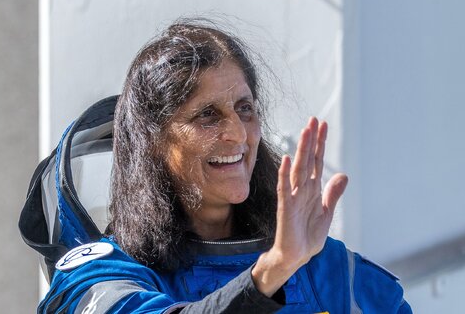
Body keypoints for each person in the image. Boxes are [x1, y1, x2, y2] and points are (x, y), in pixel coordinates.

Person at [39, 21, 410, 313]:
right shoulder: (98, 278)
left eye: (244, 109)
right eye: (207, 115)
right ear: (153, 142)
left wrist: (283, 263)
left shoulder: (330, 272)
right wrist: (273, 271)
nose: (237, 134)